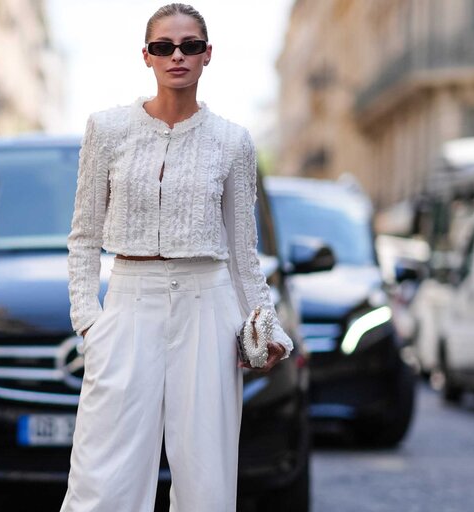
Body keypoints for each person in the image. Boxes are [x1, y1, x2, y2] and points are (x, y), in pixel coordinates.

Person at [61, 4, 293, 511]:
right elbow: (83, 236)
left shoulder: (232, 141)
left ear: (208, 55)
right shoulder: (107, 130)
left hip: (206, 308)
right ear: (146, 56)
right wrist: (88, 323)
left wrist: (266, 326)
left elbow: (241, 251)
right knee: (102, 481)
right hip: (126, 306)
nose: (177, 56)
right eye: (164, 47)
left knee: (207, 479)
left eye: (190, 46)